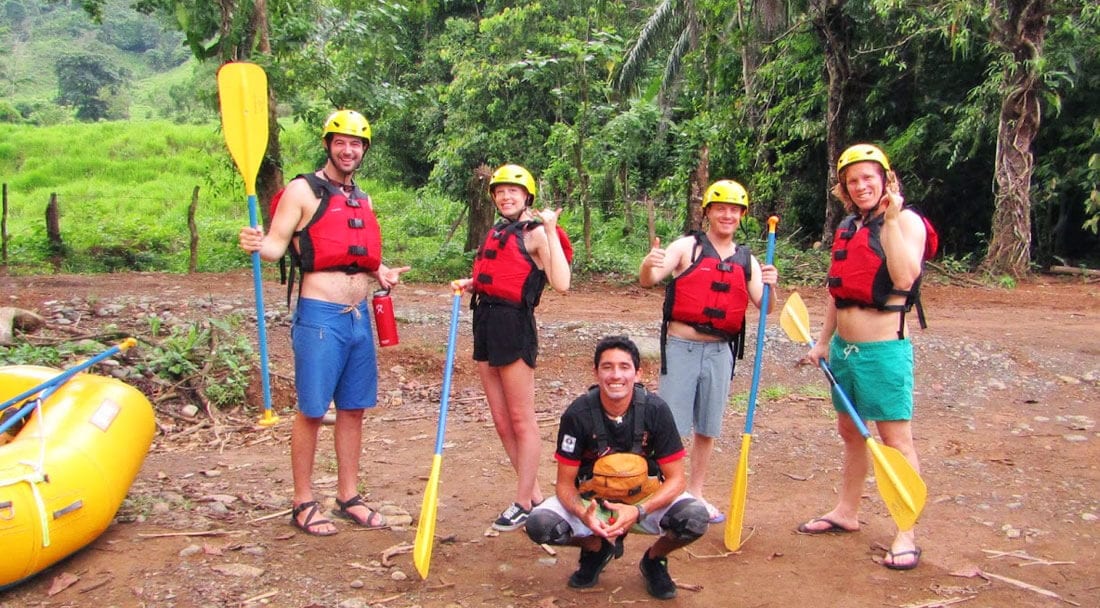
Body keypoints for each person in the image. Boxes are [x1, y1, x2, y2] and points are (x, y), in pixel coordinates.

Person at [238, 109, 410, 536]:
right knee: (313, 411)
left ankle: (348, 495)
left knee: (353, 410)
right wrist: (254, 243)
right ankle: (302, 501)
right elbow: (276, 248)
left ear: (364, 150)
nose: (348, 150)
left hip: (358, 318)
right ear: (328, 144)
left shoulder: (362, 198)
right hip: (320, 318)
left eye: (356, 144)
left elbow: (355, 252)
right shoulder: (302, 190)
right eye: (341, 142)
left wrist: (380, 271)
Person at [797, 143, 930, 570]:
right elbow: (839, 290)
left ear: (886, 179)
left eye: (868, 178)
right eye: (852, 181)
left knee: (895, 440)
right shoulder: (849, 225)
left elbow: (905, 276)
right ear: (844, 188)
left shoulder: (906, 221)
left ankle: (906, 532)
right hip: (844, 351)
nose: (860, 186)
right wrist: (822, 343)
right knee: (851, 433)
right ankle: (846, 511)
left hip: (884, 351)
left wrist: (890, 219)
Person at [637, 180, 778, 523]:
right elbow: (650, 278)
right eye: (721, 208)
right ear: (709, 212)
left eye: (734, 210)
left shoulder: (748, 260)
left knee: (708, 427)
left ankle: (695, 493)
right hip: (682, 347)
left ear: (742, 216)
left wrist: (774, 284)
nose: (727, 215)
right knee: (670, 424)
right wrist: (647, 263)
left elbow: (766, 306)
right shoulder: (688, 246)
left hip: (720, 352)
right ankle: (666, 491)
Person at [525, 335, 707, 600]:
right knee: (540, 525)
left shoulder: (656, 410)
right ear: (596, 372)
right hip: (592, 502)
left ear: (638, 372)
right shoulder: (577, 415)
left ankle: (654, 559)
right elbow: (564, 484)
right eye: (607, 367)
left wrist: (638, 510)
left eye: (624, 367)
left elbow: (677, 479)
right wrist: (583, 513)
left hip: (644, 500)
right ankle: (596, 548)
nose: (615, 375)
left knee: (695, 518)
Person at [454, 163, 572, 531]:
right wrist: (475, 282)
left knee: (521, 418)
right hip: (485, 320)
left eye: (514, 192)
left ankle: (523, 501)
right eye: (501, 191)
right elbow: (503, 272)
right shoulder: (498, 231)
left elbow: (562, 282)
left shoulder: (536, 233)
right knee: (501, 419)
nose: (506, 196)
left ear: (527, 198)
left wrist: (551, 229)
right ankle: (533, 493)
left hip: (514, 325)